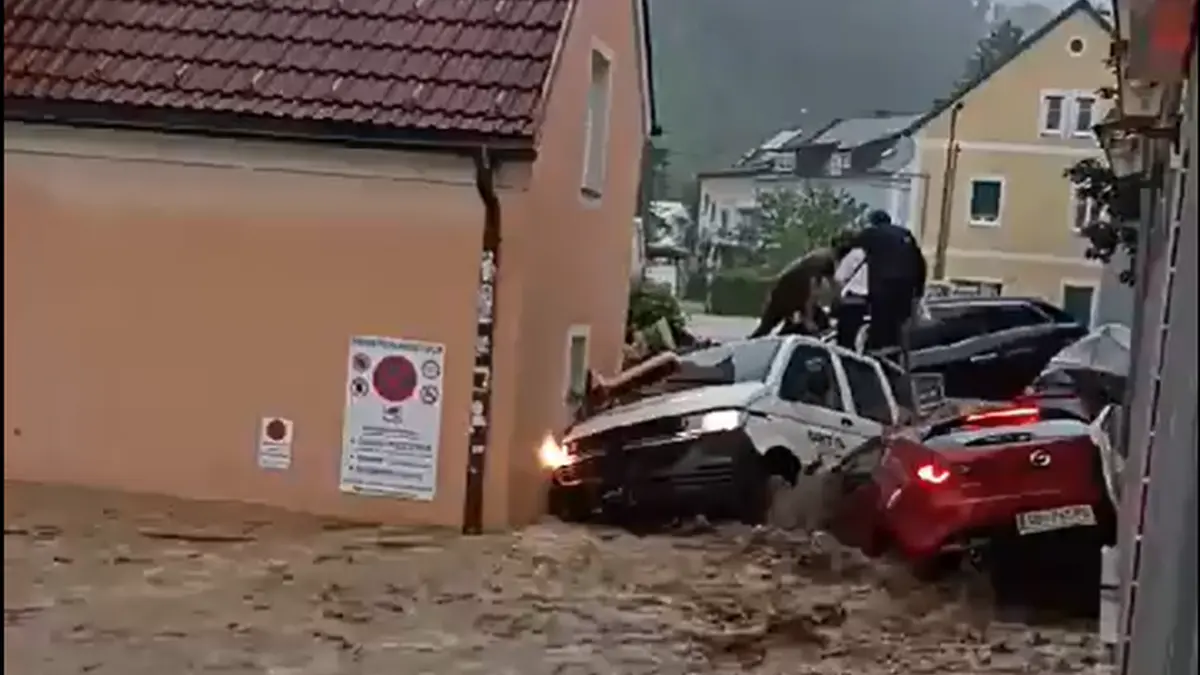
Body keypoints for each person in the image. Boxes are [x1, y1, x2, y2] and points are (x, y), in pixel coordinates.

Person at [839, 210, 927, 351]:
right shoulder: (906, 234)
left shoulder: (871, 233)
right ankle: (899, 354)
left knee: (881, 325)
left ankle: (879, 355)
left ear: (873, 222)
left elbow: (849, 247)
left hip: (885, 285)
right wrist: (919, 291)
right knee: (900, 324)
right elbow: (920, 263)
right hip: (908, 286)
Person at [748, 246, 839, 339]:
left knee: (767, 327)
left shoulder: (810, 263)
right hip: (788, 297)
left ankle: (754, 341)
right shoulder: (816, 268)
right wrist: (808, 319)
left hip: (781, 295)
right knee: (770, 326)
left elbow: (831, 285)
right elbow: (810, 297)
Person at [831, 233, 869, 350]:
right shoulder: (871, 254)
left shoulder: (852, 256)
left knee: (846, 344)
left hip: (851, 303)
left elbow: (839, 278)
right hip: (869, 303)